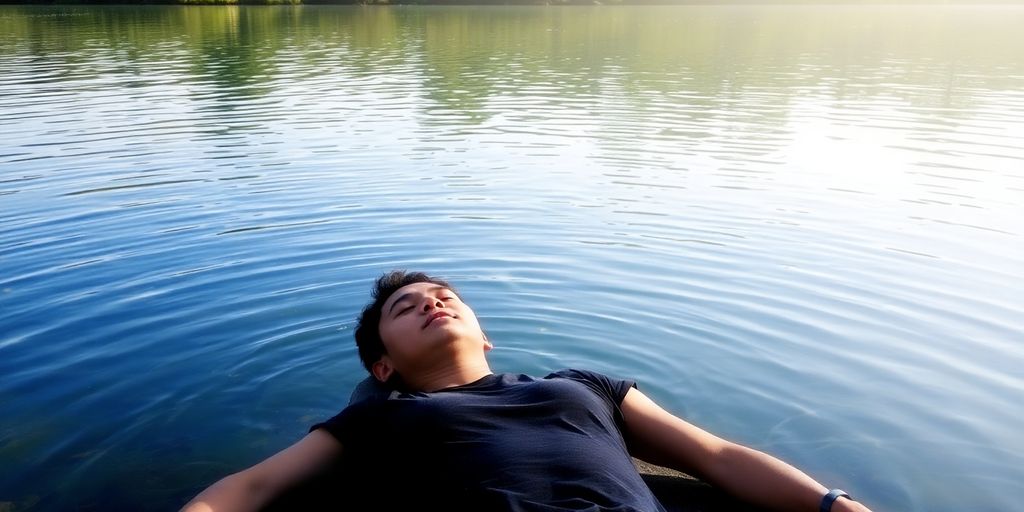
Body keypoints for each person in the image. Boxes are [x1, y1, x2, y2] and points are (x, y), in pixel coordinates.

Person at [182, 271, 874, 512]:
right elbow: (248, 491)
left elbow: (716, 456)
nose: (434, 303)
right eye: (407, 309)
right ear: (384, 367)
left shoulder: (583, 384)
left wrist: (831, 503)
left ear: (487, 338)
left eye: (446, 296)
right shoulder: (382, 420)